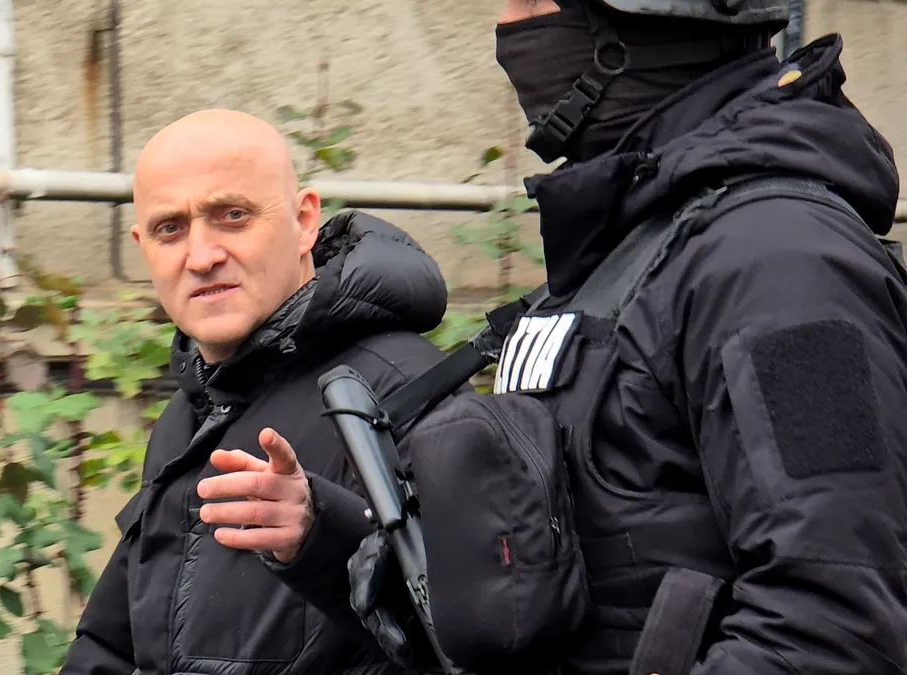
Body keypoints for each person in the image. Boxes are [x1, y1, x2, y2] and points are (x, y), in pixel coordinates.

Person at [335, 2, 907, 675]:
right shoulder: (639, 244)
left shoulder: (779, 261)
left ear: (625, 30)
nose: (508, 21)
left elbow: (837, 627)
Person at [59, 108, 453, 675]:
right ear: (143, 246)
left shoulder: (404, 389)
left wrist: (324, 534)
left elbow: (478, 637)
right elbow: (113, 645)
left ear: (304, 220)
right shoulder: (191, 411)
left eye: (233, 216)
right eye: (171, 229)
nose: (201, 256)